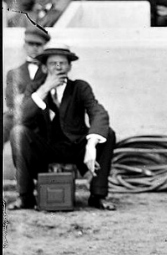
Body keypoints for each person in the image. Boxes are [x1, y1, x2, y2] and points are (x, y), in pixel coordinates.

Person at [8, 43, 117, 211]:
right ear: (44, 68)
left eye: (63, 63)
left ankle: (98, 196)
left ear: (69, 66)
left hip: (75, 148)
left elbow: (98, 112)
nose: (58, 67)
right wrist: (45, 89)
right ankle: (25, 197)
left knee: (107, 133)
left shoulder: (80, 87)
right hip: (45, 148)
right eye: (53, 63)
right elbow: (22, 118)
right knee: (18, 133)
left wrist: (91, 144)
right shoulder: (35, 89)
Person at [3, 27, 50, 144]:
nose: (34, 48)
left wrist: (23, 98)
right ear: (24, 45)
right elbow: (11, 102)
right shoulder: (14, 73)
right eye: (31, 44)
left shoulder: (50, 71)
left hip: (42, 119)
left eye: (38, 44)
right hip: (20, 117)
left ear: (44, 47)